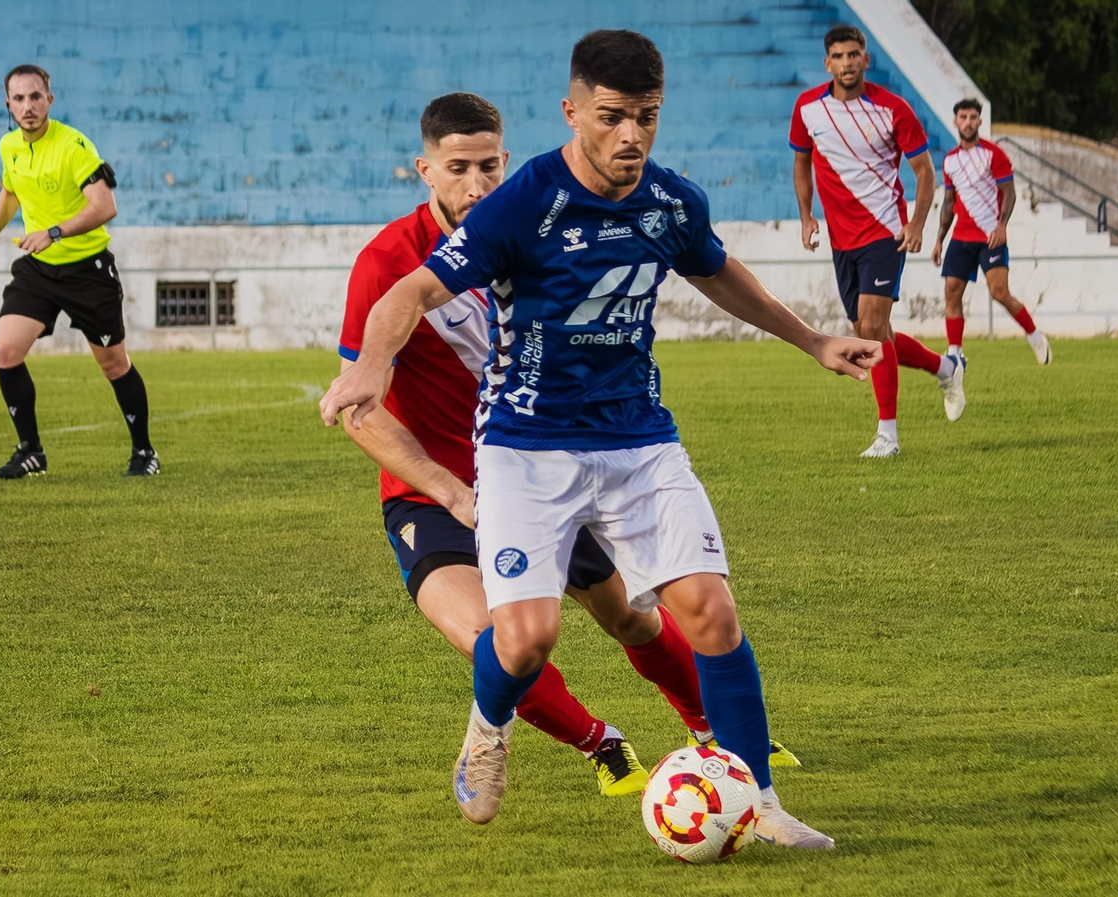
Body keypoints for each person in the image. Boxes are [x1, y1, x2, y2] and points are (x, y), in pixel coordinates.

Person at [322, 30, 882, 848]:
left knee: (710, 614)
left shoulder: (672, 201)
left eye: (646, 118)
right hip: (526, 449)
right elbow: (410, 288)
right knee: (525, 638)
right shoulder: (522, 204)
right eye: (613, 117)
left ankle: (758, 801)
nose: (631, 136)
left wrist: (815, 340)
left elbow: (716, 269)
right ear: (574, 111)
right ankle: (489, 725)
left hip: (638, 442)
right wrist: (372, 365)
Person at [0, 64, 158, 479]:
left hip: (88, 272)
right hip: (39, 269)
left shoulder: (74, 146)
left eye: (35, 97)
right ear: (8, 105)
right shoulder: (9, 146)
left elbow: (105, 207)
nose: (28, 106)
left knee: (114, 365)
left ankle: (144, 452)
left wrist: (54, 232)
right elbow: (10, 192)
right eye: (18, 99)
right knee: (6, 351)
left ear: (49, 101)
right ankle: (30, 451)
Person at [791, 25, 964, 458]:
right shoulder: (808, 108)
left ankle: (888, 435)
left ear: (866, 60)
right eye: (839, 56)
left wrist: (918, 224)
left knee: (870, 327)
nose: (847, 63)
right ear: (827, 63)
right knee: (870, 334)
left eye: (854, 55)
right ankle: (945, 368)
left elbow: (925, 172)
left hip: (886, 232)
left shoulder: (893, 109)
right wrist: (807, 216)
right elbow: (801, 164)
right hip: (841, 239)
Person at [930, 99, 1051, 365]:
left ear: (979, 122)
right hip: (961, 235)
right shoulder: (950, 161)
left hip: (990, 235)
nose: (968, 122)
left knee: (999, 293)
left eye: (973, 117)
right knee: (951, 290)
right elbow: (949, 203)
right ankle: (954, 354)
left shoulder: (994, 155)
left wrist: (1001, 226)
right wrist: (939, 239)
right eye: (963, 117)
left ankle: (1034, 335)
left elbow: (1009, 193)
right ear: (956, 121)